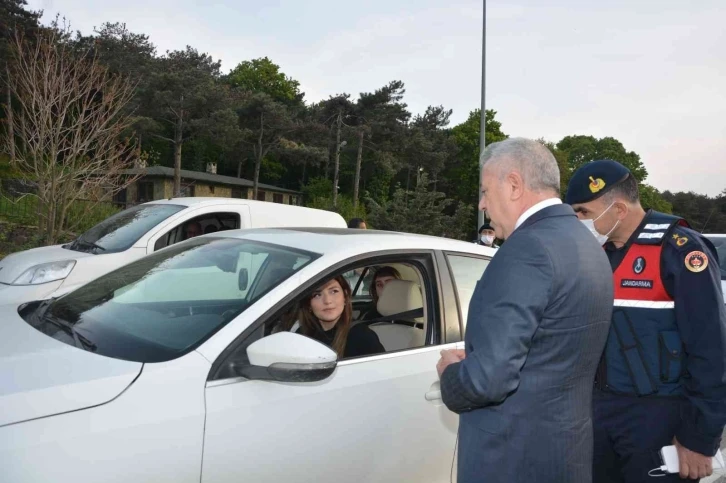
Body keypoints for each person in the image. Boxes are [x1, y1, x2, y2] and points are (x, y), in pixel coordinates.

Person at [436, 137, 613, 483]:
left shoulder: (526, 250)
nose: (482, 205)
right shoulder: (586, 244)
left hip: (512, 460)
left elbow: (486, 381)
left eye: (486, 191)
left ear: (514, 185)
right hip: (563, 454)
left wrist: (450, 374)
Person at [566, 159, 726, 482]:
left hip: (659, 419)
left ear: (620, 210)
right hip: (596, 417)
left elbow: (711, 352)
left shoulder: (679, 252)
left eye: (583, 212)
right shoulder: (592, 255)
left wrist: (699, 438)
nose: (578, 222)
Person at [283, 275, 384, 358]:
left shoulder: (362, 336)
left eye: (334, 291)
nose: (327, 301)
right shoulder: (302, 335)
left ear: (345, 297)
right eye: (317, 295)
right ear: (309, 304)